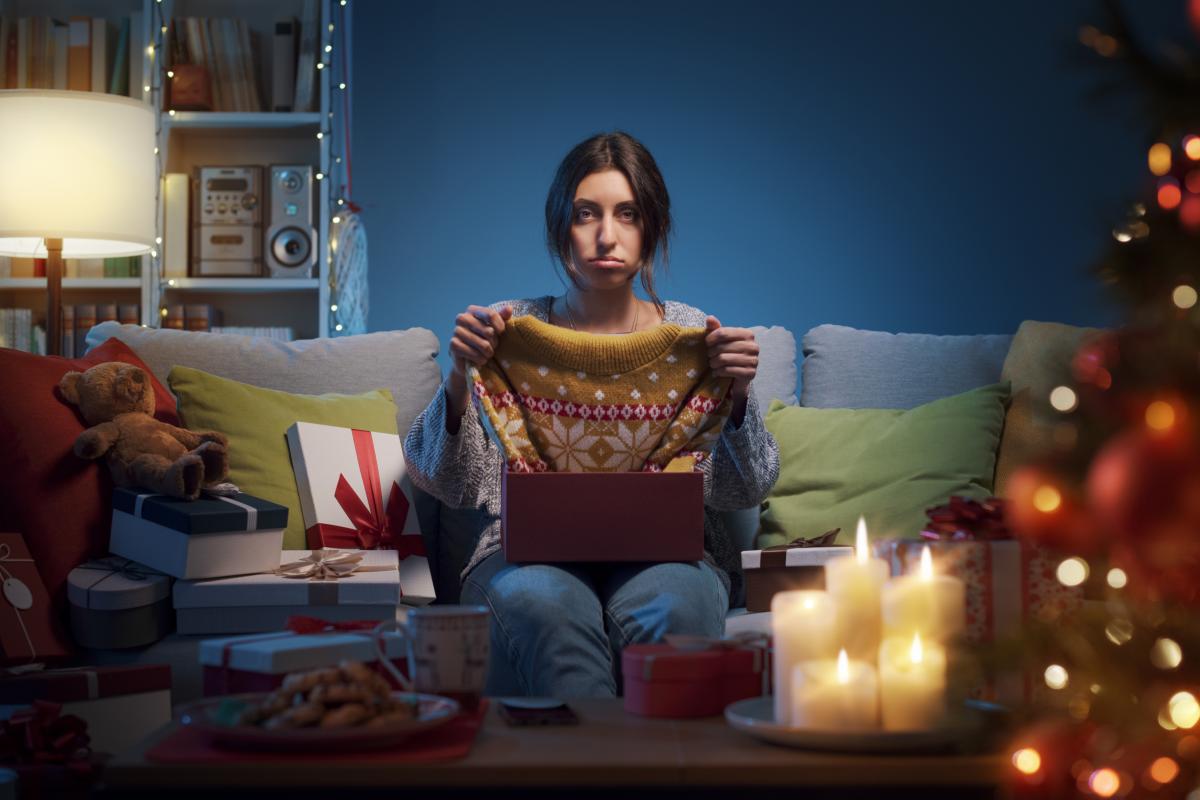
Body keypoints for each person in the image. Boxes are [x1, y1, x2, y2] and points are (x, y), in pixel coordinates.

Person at [403, 131, 780, 697]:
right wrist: (460, 376)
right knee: (545, 612)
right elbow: (446, 481)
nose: (607, 235)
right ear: (562, 227)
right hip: (524, 555)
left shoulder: (693, 332)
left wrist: (739, 395)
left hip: (669, 556)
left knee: (674, 611)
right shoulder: (508, 329)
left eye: (628, 214)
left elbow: (744, 489)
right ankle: (597, 750)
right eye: (586, 214)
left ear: (653, 226)